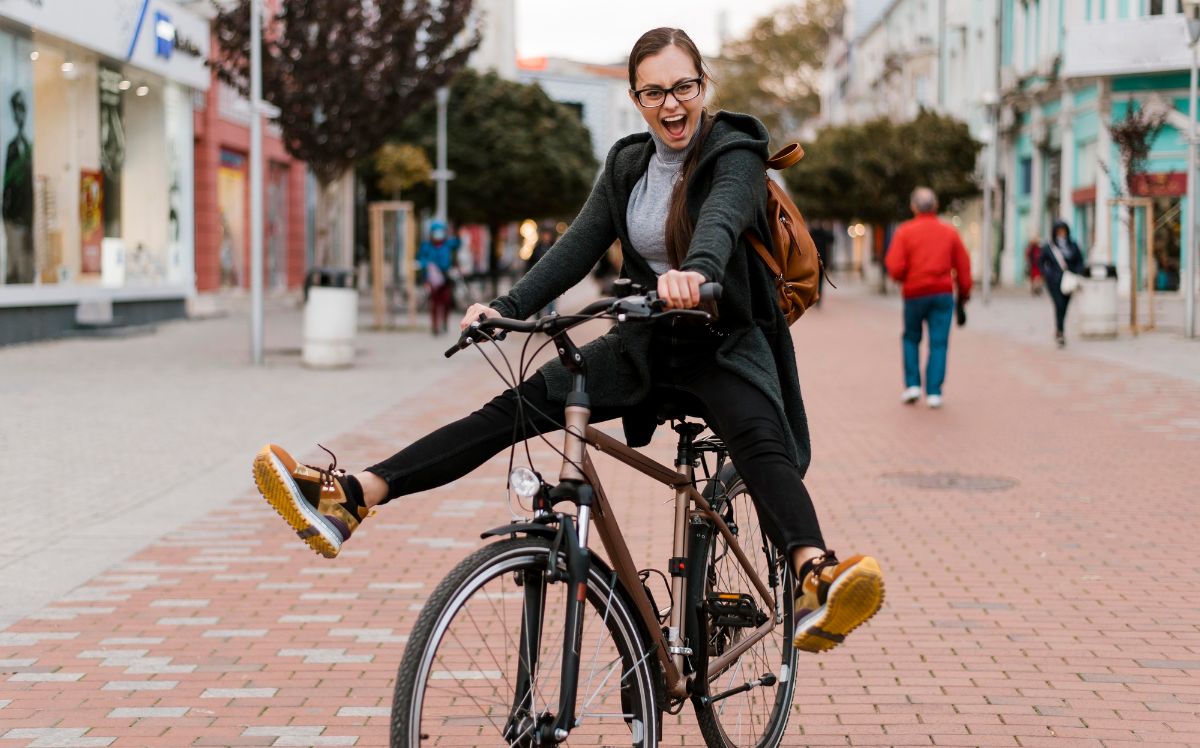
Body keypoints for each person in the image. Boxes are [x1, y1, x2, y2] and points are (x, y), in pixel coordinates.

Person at [252, 27, 883, 654]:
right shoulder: (627, 164)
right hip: (643, 344)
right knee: (512, 409)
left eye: (683, 87)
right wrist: (505, 308)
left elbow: (720, 219)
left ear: (703, 85)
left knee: (757, 438)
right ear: (636, 98)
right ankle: (354, 496)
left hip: (721, 342)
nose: (671, 105)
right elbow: (577, 247)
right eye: (654, 92)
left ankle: (812, 576)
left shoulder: (735, 148)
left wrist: (698, 273)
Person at [884, 187, 972, 409]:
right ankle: (934, 392)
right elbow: (963, 266)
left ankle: (912, 385)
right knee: (939, 342)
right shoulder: (949, 232)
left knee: (911, 338)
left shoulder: (905, 232)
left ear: (914, 207)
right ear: (936, 205)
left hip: (914, 293)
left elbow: (894, 266)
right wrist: (964, 293)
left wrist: (905, 278)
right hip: (942, 294)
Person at [1038, 219, 1085, 348]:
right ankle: (1060, 331)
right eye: (1059, 231)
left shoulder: (1073, 246)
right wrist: (1048, 274)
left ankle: (1060, 329)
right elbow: (1041, 262)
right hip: (1054, 282)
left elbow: (1080, 261)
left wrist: (1077, 272)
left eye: (1063, 231)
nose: (1061, 234)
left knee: (1064, 306)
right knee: (1058, 304)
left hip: (1069, 281)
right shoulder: (1049, 247)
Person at [416, 220, 459, 335]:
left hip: (446, 277)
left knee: (446, 301)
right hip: (433, 279)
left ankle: (444, 322)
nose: (438, 234)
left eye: (441, 232)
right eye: (436, 232)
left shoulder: (448, 244)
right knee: (434, 302)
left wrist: (453, 230)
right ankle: (435, 326)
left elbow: (458, 242)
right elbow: (421, 259)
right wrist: (427, 267)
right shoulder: (426, 246)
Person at [526, 222, 558, 315]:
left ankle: (551, 317)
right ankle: (538, 317)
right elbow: (530, 262)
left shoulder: (554, 247)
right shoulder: (537, 248)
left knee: (551, 300)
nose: (546, 236)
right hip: (539, 278)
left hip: (550, 278)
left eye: (548, 234)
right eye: (545, 234)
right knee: (538, 299)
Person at [808, 220, 834, 307]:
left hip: (815, 261)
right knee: (820, 281)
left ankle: (814, 298)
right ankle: (817, 298)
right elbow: (832, 239)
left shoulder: (812, 233)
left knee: (814, 281)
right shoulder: (824, 233)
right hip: (822, 261)